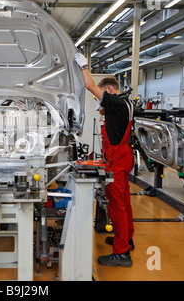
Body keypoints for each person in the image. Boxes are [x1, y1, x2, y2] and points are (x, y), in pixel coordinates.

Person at [75, 52, 135, 267]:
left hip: (118, 158)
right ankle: (126, 239)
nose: (99, 102)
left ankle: (121, 254)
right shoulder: (126, 103)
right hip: (123, 156)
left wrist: (83, 65)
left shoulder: (116, 103)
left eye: (102, 96)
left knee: (117, 205)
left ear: (109, 90)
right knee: (125, 201)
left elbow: (91, 87)